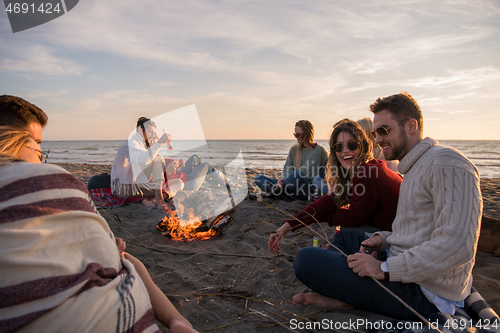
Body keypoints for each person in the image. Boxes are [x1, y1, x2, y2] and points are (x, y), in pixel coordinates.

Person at [292, 92, 482, 321]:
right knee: (348, 237)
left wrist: (383, 268)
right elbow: (417, 232)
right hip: (404, 265)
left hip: (427, 293)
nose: (378, 139)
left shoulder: (447, 163)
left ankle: (347, 295)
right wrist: (384, 239)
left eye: (384, 130)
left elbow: (457, 246)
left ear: (411, 126)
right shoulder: (413, 168)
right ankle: (347, 295)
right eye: (375, 133)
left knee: (306, 260)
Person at [0, 126, 197, 333]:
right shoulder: (49, 178)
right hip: (115, 314)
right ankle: (177, 320)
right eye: (39, 151)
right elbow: (144, 162)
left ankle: (177, 320)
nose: (41, 160)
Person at [268, 119, 402, 254]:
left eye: (352, 145)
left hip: (397, 245)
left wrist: (323, 217)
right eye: (338, 147)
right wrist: (287, 226)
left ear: (363, 146)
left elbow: (354, 218)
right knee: (341, 235)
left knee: (306, 257)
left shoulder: (367, 173)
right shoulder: (368, 167)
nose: (345, 151)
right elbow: (330, 201)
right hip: (390, 235)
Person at [111, 117, 231, 209]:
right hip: (125, 187)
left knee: (186, 165)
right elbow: (145, 161)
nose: (153, 136)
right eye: (151, 133)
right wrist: (161, 144)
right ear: (140, 130)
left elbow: (150, 161)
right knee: (204, 166)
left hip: (141, 183)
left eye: (154, 134)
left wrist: (173, 163)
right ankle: (227, 182)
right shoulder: (132, 144)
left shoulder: (141, 147)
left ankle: (215, 181)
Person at [254, 120, 328, 200]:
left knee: (297, 174)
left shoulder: (320, 151)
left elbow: (326, 173)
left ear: (307, 134)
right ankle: (279, 192)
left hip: (305, 189)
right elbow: (287, 169)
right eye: (295, 134)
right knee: (258, 177)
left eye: (298, 134)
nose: (296, 137)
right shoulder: (294, 149)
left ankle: (276, 192)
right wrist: (281, 181)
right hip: (289, 185)